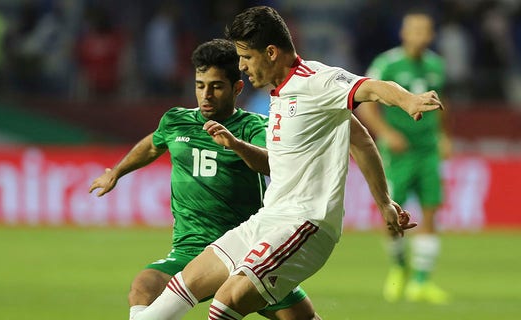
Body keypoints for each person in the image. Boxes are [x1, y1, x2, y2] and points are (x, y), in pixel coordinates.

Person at [132, 6, 441, 320]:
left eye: (246, 57)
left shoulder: (315, 81)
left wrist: (408, 100)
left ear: (270, 52)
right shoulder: (279, 94)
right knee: (186, 283)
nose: (241, 67)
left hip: (306, 222)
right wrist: (385, 202)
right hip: (270, 218)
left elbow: (371, 87)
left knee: (226, 301)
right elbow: (360, 140)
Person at [89, 39, 315, 320]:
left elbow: (276, 163)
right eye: (200, 85)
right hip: (190, 251)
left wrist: (236, 145)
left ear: (237, 88)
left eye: (216, 86)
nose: (206, 94)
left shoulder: (252, 126)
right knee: (143, 287)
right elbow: (151, 145)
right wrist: (117, 171)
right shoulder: (176, 121)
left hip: (246, 252)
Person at [356, 10, 451, 304]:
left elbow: (441, 105)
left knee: (431, 209)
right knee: (393, 215)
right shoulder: (387, 64)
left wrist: (443, 135)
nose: (420, 36)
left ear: (431, 35)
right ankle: (399, 271)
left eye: (426, 30)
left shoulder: (437, 65)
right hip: (398, 153)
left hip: (427, 151)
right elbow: (366, 104)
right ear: (404, 33)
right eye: (415, 30)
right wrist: (385, 133)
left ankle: (421, 281)